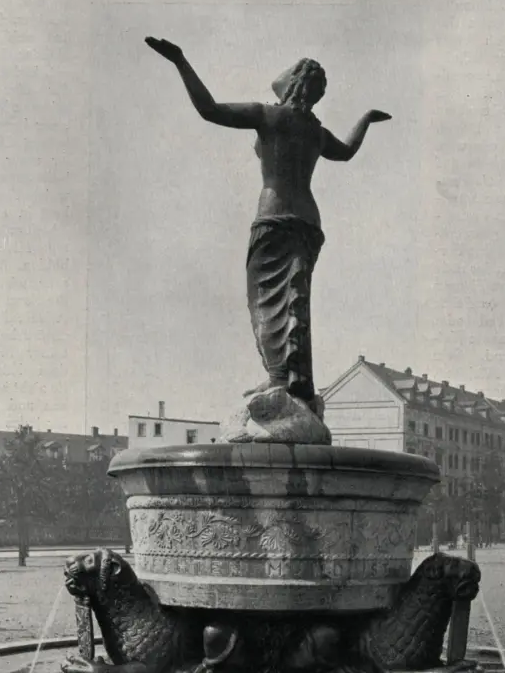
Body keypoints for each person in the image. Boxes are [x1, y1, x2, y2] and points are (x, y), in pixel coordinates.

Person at [145, 37, 391, 408]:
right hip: (308, 222)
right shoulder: (315, 132)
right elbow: (346, 152)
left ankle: (279, 378)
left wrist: (180, 60)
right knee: (296, 300)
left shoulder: (268, 116)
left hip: (273, 218)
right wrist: (367, 119)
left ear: (291, 82)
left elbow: (209, 109)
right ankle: (297, 384)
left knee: (264, 301)